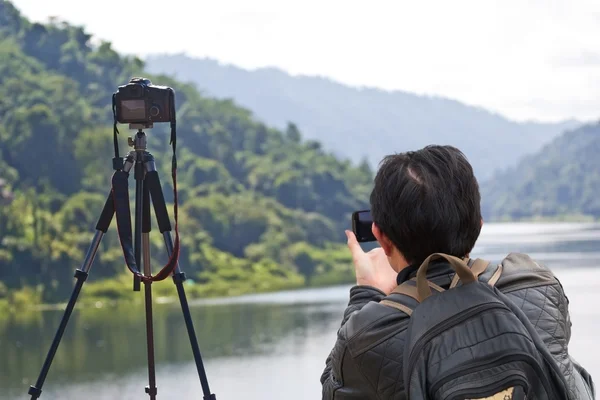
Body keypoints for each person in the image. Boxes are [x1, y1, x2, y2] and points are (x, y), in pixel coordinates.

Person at [320, 145, 595, 399]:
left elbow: (332, 390)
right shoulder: (535, 284)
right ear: (478, 224)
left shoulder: (367, 335)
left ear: (381, 237)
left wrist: (366, 292)